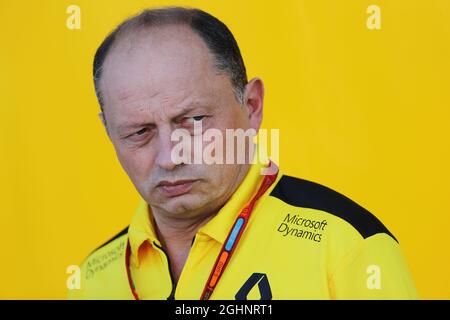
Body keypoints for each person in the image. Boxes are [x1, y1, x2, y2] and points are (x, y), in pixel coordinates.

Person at [68, 6, 418, 300]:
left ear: (251, 105)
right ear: (109, 132)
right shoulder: (94, 276)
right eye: (139, 132)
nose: (169, 158)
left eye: (193, 121)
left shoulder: (345, 248)